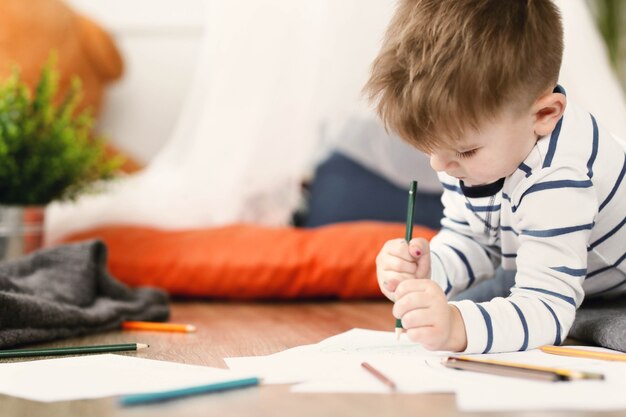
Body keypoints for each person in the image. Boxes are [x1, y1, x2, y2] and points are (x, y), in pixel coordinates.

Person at [365, 0, 626, 353]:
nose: (439, 165)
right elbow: (476, 238)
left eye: (465, 151)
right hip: (557, 262)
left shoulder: (558, 176)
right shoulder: (463, 153)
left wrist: (458, 328)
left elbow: (547, 307)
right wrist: (430, 269)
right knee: (467, 305)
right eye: (431, 148)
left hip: (611, 281)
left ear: (545, 114)